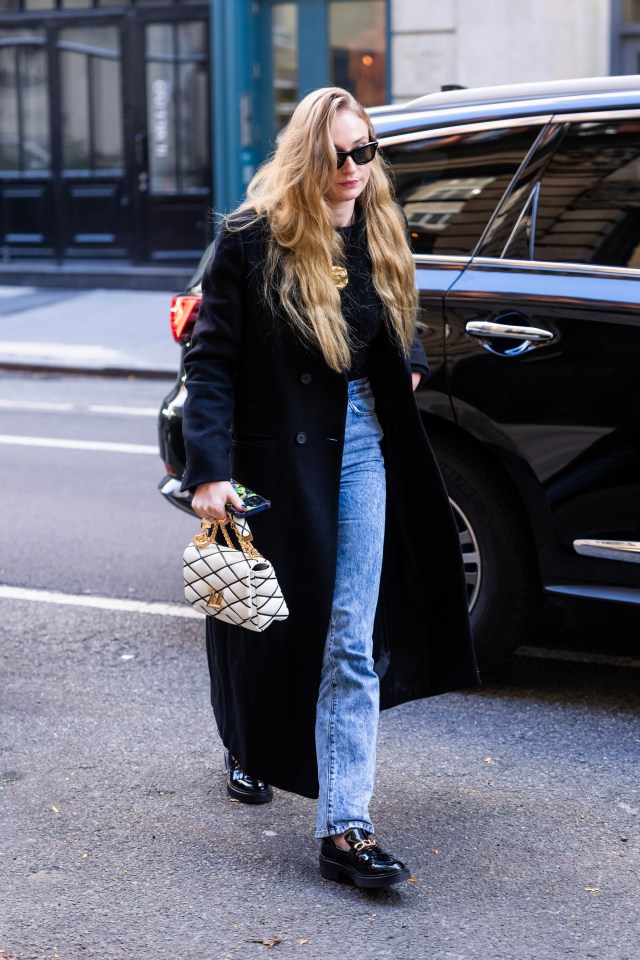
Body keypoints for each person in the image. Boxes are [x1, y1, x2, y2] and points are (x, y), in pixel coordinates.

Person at [181, 86, 479, 889]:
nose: (353, 168)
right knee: (269, 622)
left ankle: (344, 827)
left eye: (365, 151)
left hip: (360, 447)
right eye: (338, 154)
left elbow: (392, 312)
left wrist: (406, 356)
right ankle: (245, 740)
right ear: (307, 156)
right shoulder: (251, 239)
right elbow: (209, 361)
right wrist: (207, 470)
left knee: (348, 636)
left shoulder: (380, 226)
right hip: (276, 452)